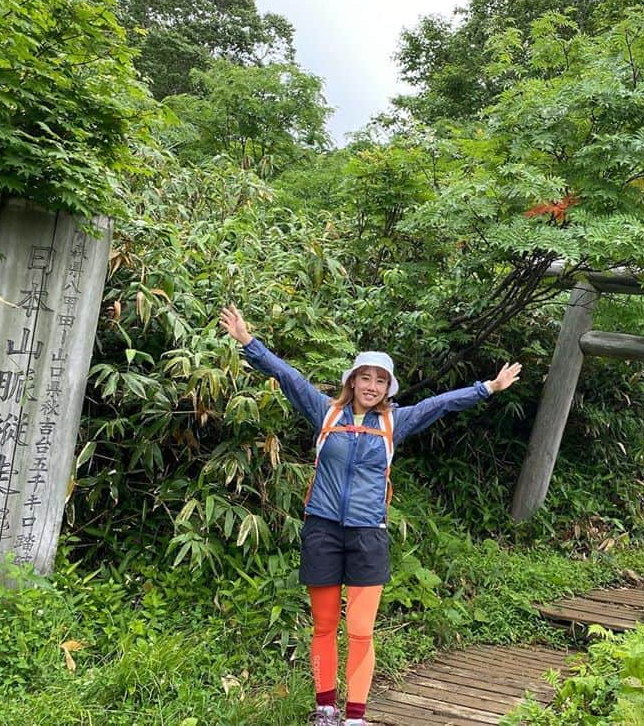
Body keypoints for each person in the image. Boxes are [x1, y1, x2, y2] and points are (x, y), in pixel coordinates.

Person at [218, 305, 522, 726]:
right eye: (365, 377)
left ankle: (355, 716)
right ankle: (325, 707)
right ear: (352, 380)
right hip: (322, 529)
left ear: (388, 388)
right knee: (324, 626)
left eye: (380, 380)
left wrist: (487, 388)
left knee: (360, 630)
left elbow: (441, 405)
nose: (372, 386)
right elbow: (288, 377)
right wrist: (248, 342)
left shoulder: (397, 421)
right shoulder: (325, 411)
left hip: (368, 535)